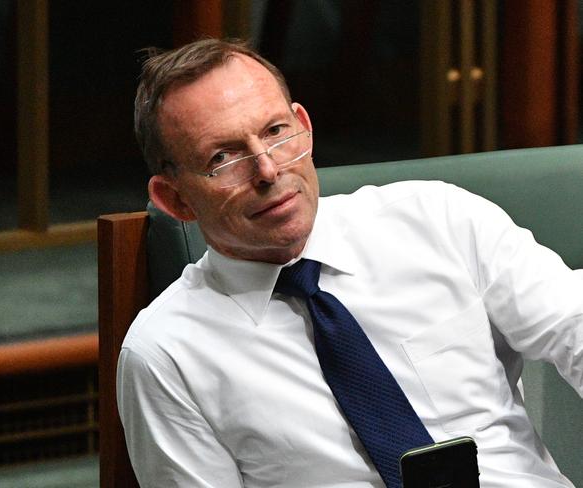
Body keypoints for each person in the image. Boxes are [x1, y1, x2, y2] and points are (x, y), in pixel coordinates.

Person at [117, 38, 583, 487]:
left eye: (276, 132)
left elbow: (574, 328)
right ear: (174, 198)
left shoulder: (439, 220)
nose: (268, 170)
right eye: (223, 157)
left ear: (304, 126)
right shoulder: (165, 353)